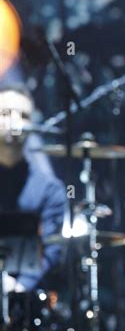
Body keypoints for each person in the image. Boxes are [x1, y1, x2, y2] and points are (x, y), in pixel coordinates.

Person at [0, 83, 67, 293]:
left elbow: (51, 248)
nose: (15, 122)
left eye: (23, 116)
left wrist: (18, 287)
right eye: (5, 113)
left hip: (23, 300)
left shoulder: (50, 189)